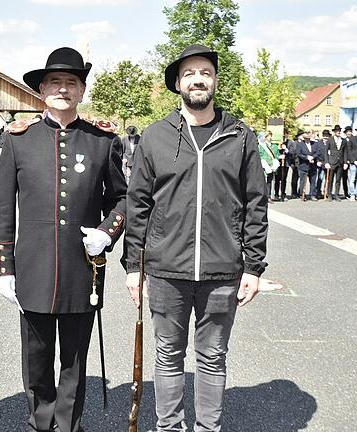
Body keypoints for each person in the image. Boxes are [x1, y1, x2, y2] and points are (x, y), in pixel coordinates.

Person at [125, 44, 267, 432]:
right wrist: (132, 268)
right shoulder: (155, 136)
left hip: (222, 269)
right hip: (167, 268)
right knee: (168, 354)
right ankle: (168, 427)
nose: (198, 79)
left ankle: (208, 428)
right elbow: (137, 204)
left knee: (212, 356)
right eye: (189, 74)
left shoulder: (239, 136)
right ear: (177, 84)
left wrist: (254, 266)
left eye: (205, 72)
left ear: (216, 81)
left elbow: (256, 203)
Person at [0, 47, 126, 432]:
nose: (62, 89)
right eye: (54, 82)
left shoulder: (101, 141)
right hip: (32, 267)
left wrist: (106, 231)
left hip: (82, 268)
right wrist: (3, 268)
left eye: (71, 82)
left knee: (75, 359)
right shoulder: (19, 140)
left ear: (82, 91)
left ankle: (68, 425)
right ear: (41, 90)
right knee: (36, 357)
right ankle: (41, 422)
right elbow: (2, 209)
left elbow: (122, 198)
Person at [323, 125, 347, 201]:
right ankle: (329, 194)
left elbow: (345, 152)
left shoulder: (343, 140)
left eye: (339, 131)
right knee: (330, 179)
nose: (338, 132)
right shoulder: (330, 140)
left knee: (338, 180)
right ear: (334, 132)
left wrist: (345, 162)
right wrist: (326, 162)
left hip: (340, 162)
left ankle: (336, 194)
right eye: (337, 131)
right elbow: (326, 151)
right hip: (332, 162)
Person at [297, 130, 320, 201]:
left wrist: (313, 157)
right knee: (303, 181)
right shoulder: (300, 144)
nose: (307, 139)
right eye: (306, 138)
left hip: (313, 165)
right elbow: (299, 154)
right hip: (303, 165)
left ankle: (312, 194)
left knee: (313, 181)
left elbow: (318, 152)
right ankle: (302, 194)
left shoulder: (315, 144)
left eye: (308, 138)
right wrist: (307, 157)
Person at [257, 131, 279, 202]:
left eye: (270, 136)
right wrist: (265, 163)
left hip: (272, 166)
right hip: (264, 166)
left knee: (270, 181)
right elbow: (260, 155)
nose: (270, 138)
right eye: (268, 136)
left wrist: (276, 161)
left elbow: (276, 155)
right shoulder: (261, 146)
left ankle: (268, 196)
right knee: (263, 181)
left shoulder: (275, 146)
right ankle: (262, 196)